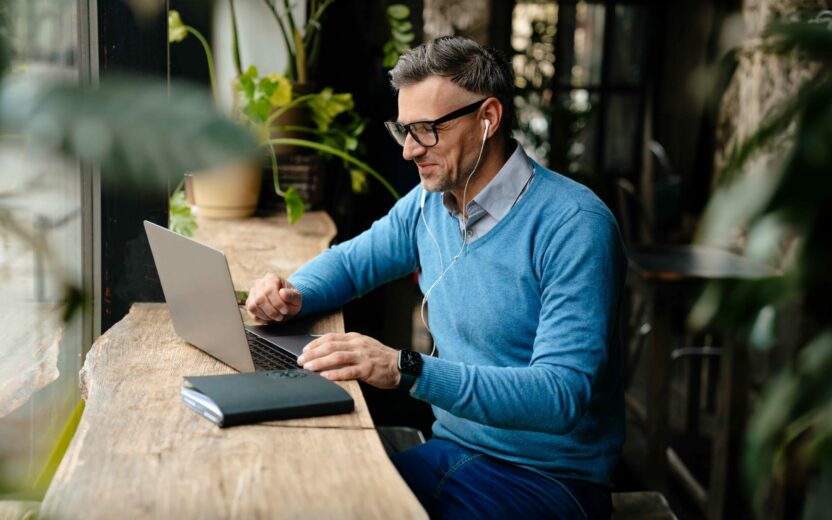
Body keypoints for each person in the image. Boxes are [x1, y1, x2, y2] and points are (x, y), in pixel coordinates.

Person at [246, 36, 627, 520]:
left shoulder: (574, 224)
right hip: (453, 452)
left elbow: (560, 396)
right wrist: (290, 293)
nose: (408, 151)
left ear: (488, 118)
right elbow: (351, 262)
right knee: (305, 496)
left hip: (551, 481)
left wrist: (406, 367)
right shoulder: (431, 203)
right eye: (403, 129)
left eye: (426, 130)